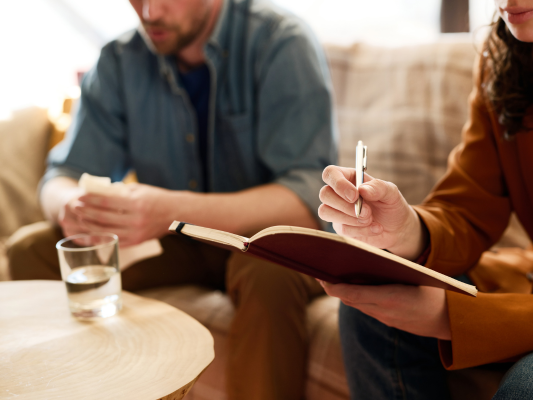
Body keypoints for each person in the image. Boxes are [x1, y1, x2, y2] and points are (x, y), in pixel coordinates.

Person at [7, 0, 336, 399]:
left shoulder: (279, 41)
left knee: (266, 275)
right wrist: (72, 205)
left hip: (266, 244)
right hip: (180, 241)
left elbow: (305, 198)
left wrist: (169, 211)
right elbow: (61, 176)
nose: (149, 12)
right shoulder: (119, 60)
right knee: (33, 249)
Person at [318, 0, 533, 398]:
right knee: (375, 307)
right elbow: (469, 208)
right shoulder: (510, 63)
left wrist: (455, 318)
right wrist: (406, 230)